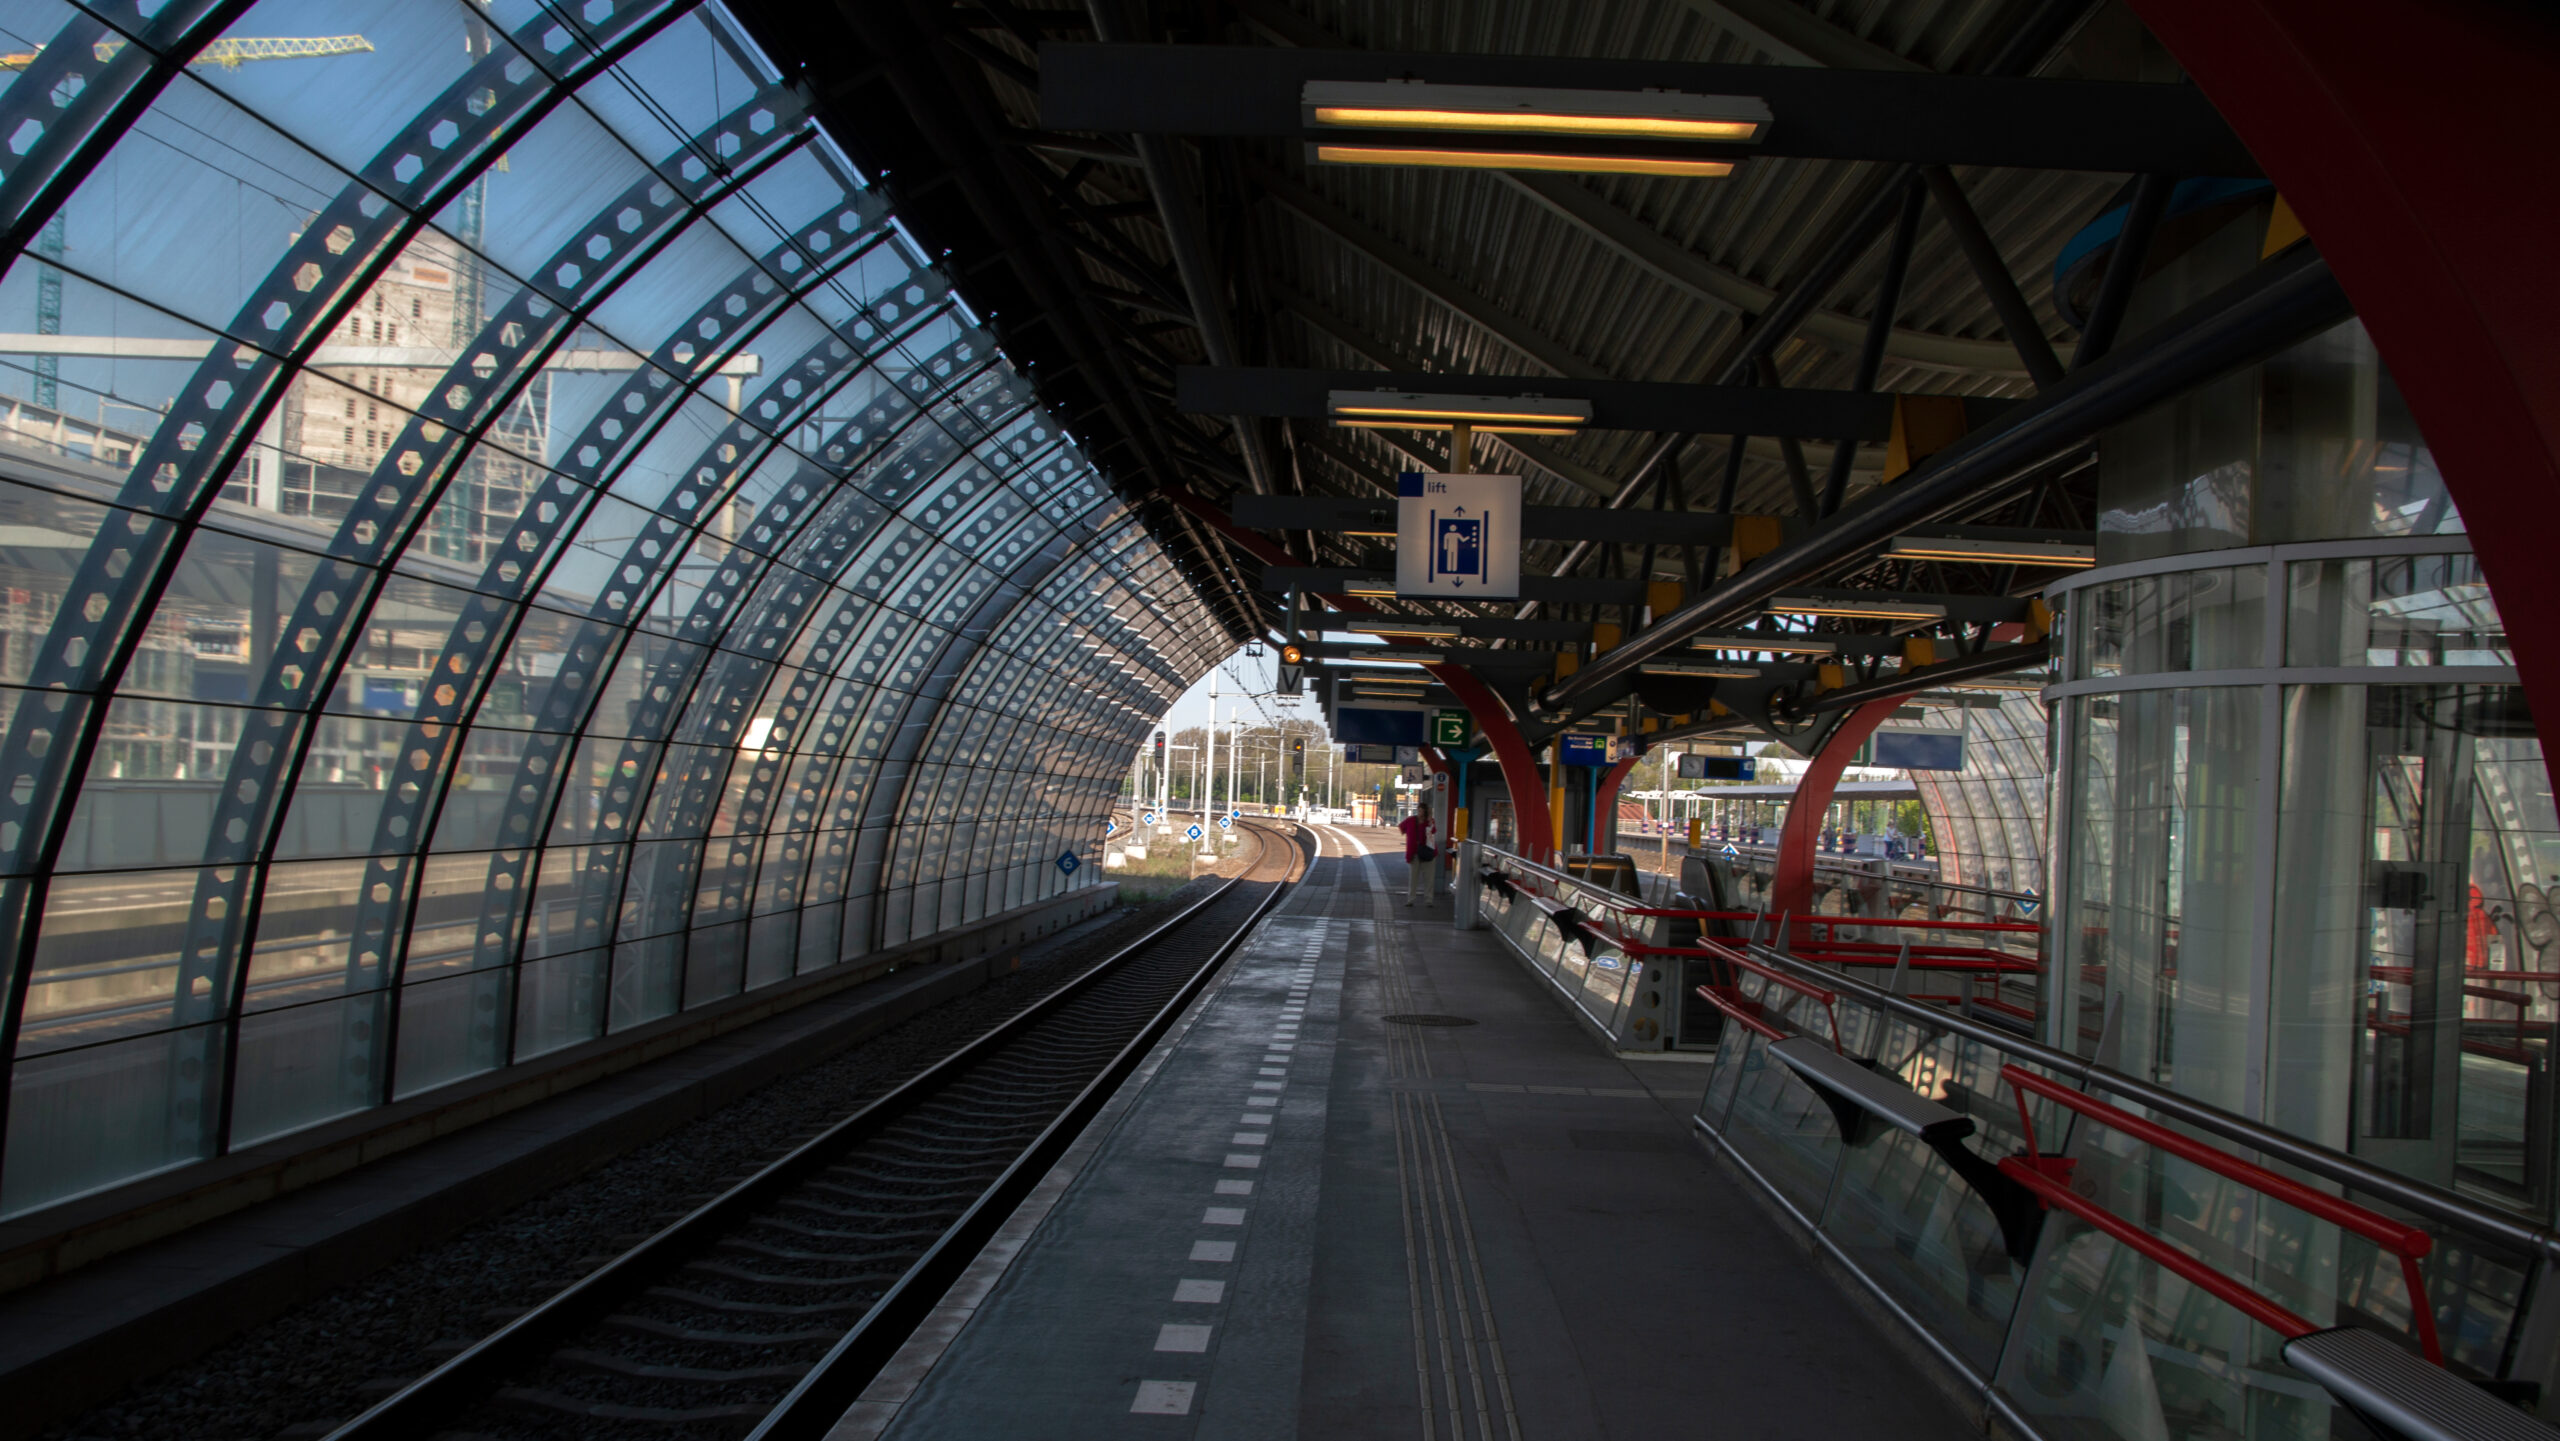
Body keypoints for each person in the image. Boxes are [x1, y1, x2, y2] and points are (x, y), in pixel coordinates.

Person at [1398, 806, 1434, 906]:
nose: (1420, 813)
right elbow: (1401, 827)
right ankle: (1411, 899)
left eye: (1422, 811)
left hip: (1427, 852)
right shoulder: (1411, 820)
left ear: (1426, 812)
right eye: (1419, 810)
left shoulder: (1430, 821)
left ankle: (1429, 900)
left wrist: (1430, 820)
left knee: (1429, 878)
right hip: (1414, 853)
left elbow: (1433, 832)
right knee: (1413, 878)